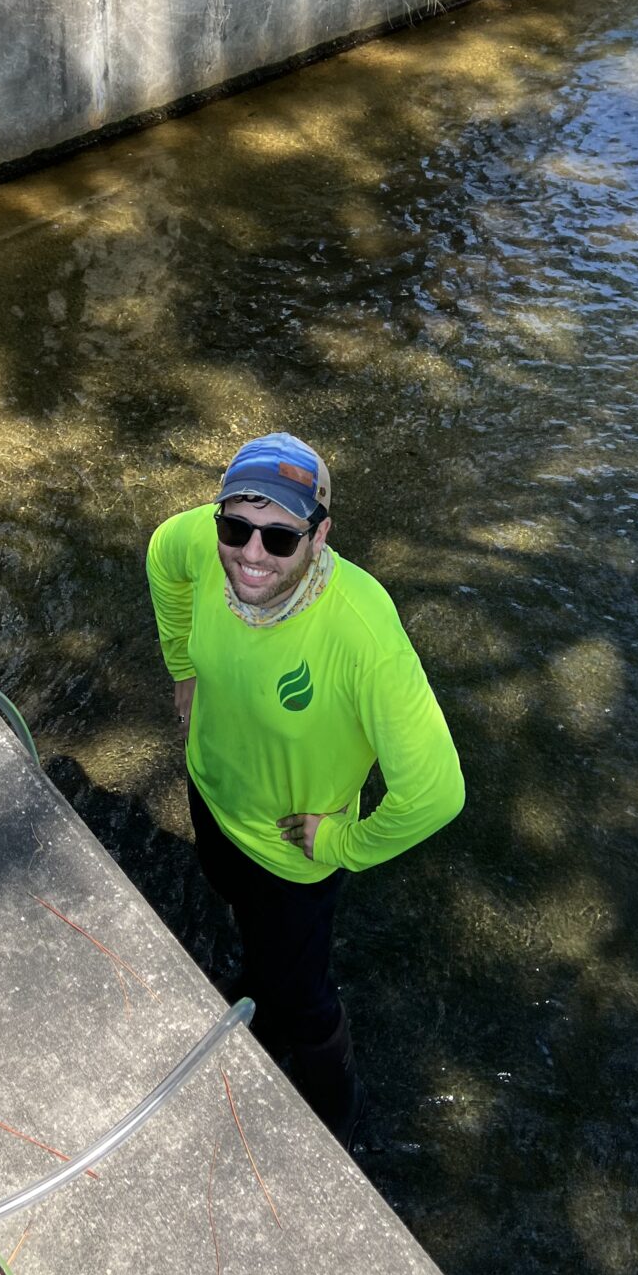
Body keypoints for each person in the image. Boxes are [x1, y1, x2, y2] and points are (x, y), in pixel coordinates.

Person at [146, 432, 465, 1145]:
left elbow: (437, 792)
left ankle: (336, 1111)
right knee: (240, 915)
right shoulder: (199, 544)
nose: (250, 555)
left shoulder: (361, 632)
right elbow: (162, 558)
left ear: (319, 535)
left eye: (280, 539)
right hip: (212, 795)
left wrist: (345, 841)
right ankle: (258, 985)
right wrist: (183, 670)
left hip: (294, 856)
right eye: (236, 527)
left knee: (307, 999)